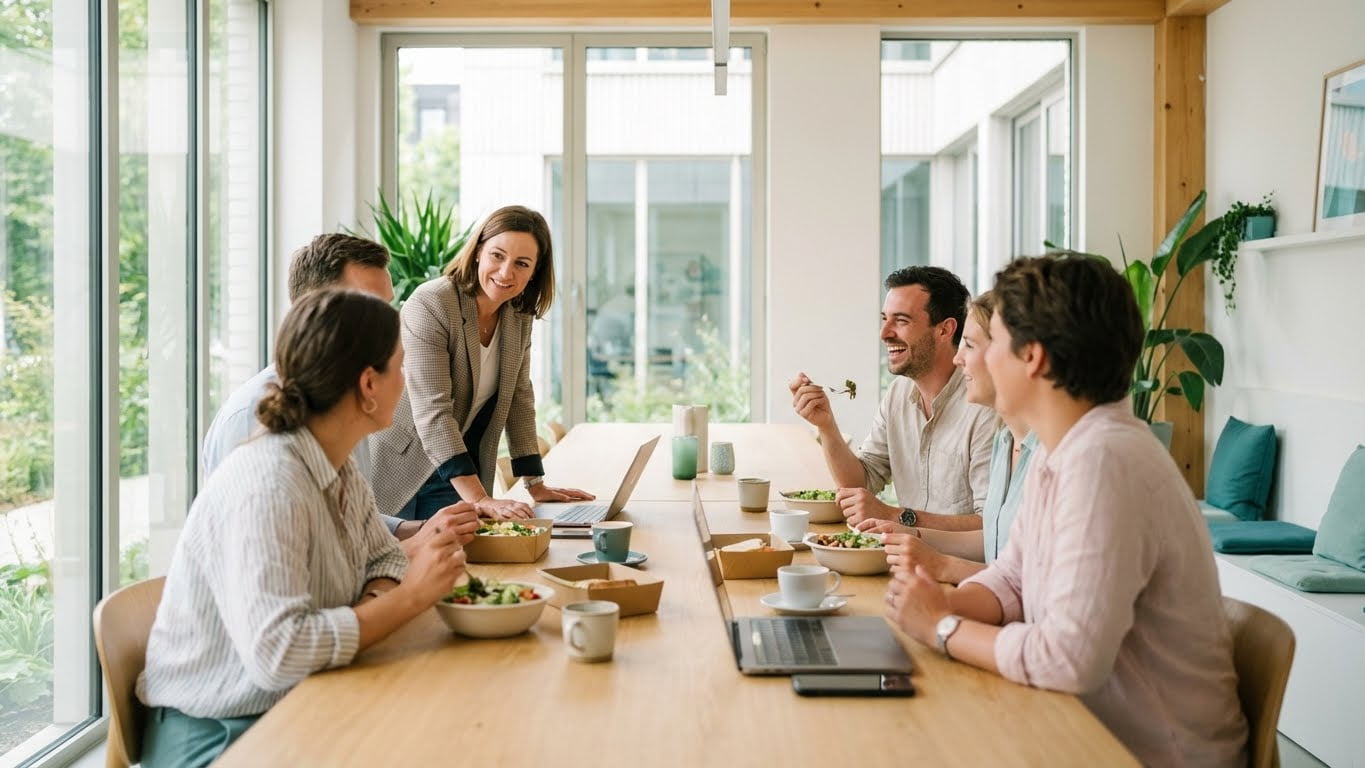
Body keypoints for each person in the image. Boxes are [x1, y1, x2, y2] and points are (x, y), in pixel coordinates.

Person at [886, 255, 1248, 766]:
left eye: (996, 342)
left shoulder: (1105, 461)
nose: (973, 360)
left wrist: (942, 631)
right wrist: (942, 607)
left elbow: (1066, 659)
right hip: (1080, 727)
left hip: (1143, 754)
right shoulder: (1066, 449)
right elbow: (1013, 576)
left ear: (1032, 356)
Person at [138, 289, 477, 767]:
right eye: (401, 367)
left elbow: (380, 557)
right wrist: (408, 599)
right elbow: (279, 653)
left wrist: (375, 605)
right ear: (368, 385)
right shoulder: (268, 484)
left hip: (302, 696)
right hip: (221, 733)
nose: (408, 382)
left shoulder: (333, 464)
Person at [200, 233, 457, 550]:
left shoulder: (345, 404)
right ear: (315, 312)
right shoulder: (252, 420)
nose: (388, 324)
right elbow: (258, 559)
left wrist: (416, 529)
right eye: (369, 307)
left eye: (388, 307)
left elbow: (346, 514)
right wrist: (409, 555)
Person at [369, 205, 592, 521]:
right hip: (411, 467)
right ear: (477, 252)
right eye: (497, 256)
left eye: (521, 264)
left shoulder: (518, 314)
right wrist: (481, 499)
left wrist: (535, 484)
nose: (506, 273)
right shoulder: (431, 303)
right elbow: (433, 411)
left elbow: (518, 397)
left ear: (535, 271)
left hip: (465, 466)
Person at [790, 266, 995, 531]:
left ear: (945, 330)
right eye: (884, 319)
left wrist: (896, 516)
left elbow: (989, 528)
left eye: (901, 321)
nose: (884, 333)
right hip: (906, 558)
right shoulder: (898, 393)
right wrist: (826, 426)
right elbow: (862, 482)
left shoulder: (985, 408)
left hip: (954, 568)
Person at [862, 291, 1038, 585]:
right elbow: (994, 541)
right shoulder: (1005, 440)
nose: (958, 358)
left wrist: (942, 566)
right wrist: (912, 535)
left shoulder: (1053, 457)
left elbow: (1030, 587)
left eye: (969, 345)